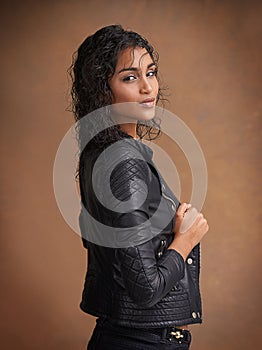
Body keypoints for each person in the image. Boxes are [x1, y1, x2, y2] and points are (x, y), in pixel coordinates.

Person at [69, 24, 209, 350]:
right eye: (130, 77)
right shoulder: (122, 163)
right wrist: (185, 239)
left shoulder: (100, 151)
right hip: (139, 342)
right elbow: (145, 288)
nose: (148, 87)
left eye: (151, 72)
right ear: (103, 90)